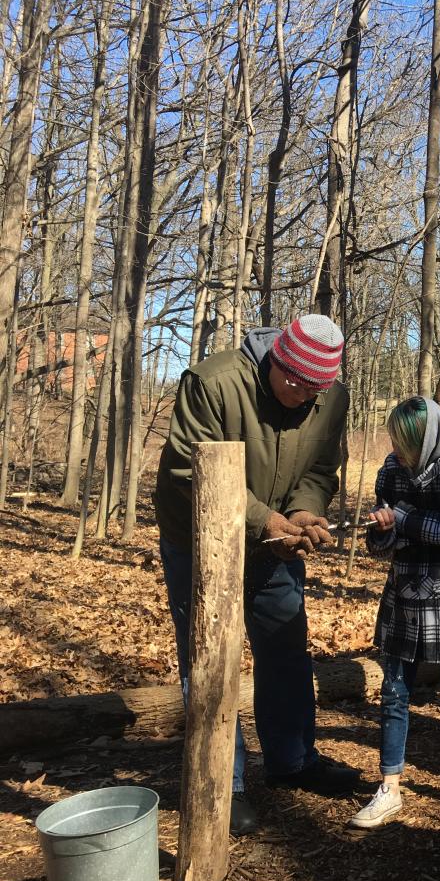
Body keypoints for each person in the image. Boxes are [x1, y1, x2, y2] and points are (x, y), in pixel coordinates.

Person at [155, 314, 360, 836]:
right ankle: (225, 782)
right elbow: (185, 469)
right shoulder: (213, 382)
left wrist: (301, 514)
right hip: (199, 540)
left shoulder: (331, 400)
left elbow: (320, 469)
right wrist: (261, 518)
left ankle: (293, 760)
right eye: (292, 380)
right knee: (209, 658)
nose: (299, 394)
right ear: (277, 359)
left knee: (286, 648)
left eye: (313, 388)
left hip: (273, 543)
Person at [350, 396, 440, 828]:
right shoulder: (390, 473)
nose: (395, 448)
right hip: (403, 598)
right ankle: (389, 787)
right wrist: (381, 530)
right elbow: (380, 545)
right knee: (394, 692)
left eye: (403, 441)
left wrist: (408, 521)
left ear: (426, 439)